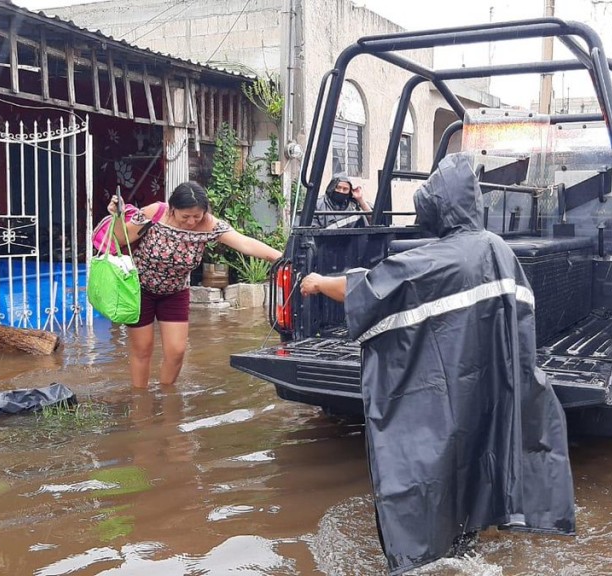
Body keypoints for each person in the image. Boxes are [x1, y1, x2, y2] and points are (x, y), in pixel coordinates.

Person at [300, 152, 575, 575]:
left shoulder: (437, 259)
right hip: (493, 387)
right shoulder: (499, 250)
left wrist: (318, 282)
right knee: (483, 458)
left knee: (434, 460)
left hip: (452, 390)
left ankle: (430, 552)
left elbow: (372, 291)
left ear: (440, 205)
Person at [108, 181, 281, 389]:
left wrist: (281, 257)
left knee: (177, 352)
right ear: (172, 209)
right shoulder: (155, 213)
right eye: (185, 216)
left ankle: (165, 395)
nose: (191, 222)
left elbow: (244, 242)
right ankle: (140, 399)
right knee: (142, 349)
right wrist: (116, 216)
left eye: (196, 216)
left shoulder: (209, 224)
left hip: (175, 292)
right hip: (139, 290)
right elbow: (119, 238)